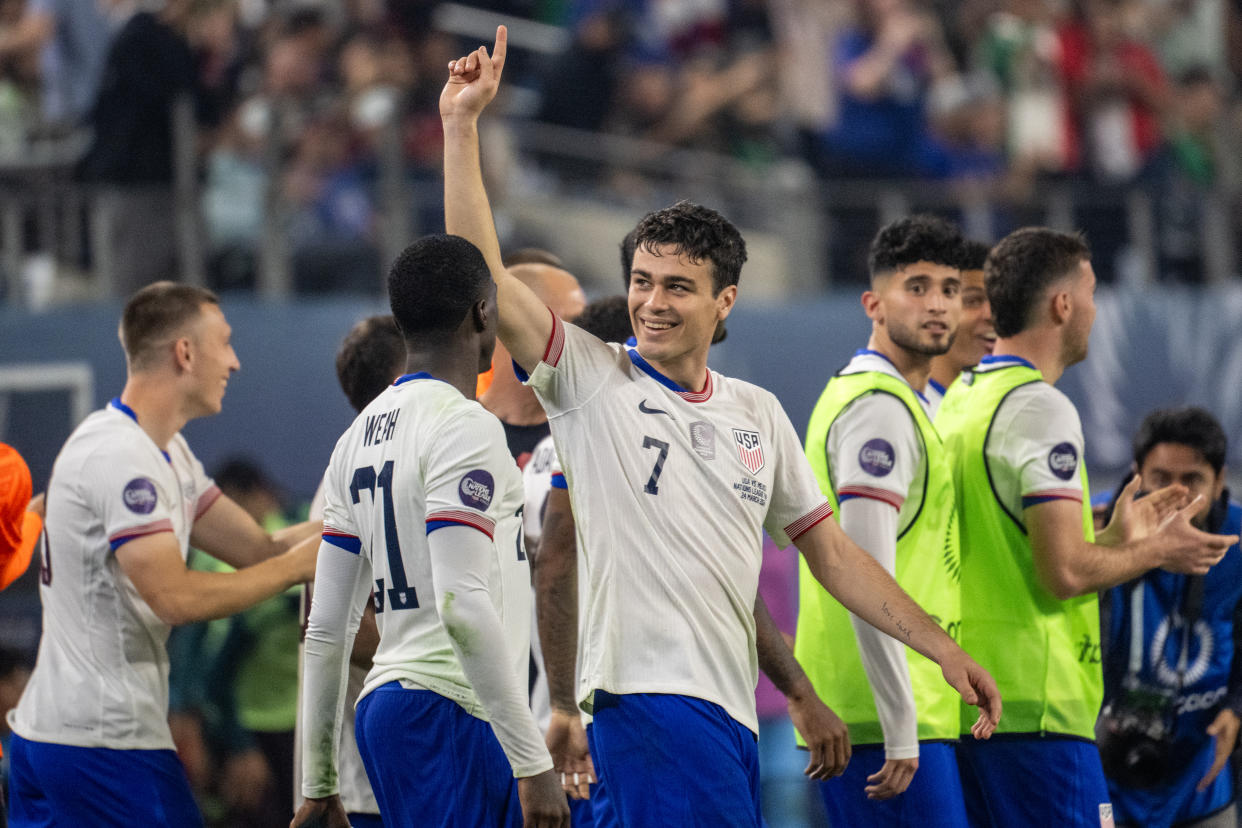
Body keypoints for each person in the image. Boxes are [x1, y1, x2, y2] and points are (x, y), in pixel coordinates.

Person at [441, 28, 1000, 827]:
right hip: (647, 704)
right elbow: (486, 275)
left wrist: (940, 651)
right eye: (641, 282)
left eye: (677, 286)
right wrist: (463, 127)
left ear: (724, 302)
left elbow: (834, 557)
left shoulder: (756, 412)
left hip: (731, 710)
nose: (653, 303)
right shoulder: (593, 379)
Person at [935, 228, 1236, 827]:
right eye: (1092, 292)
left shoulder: (961, 400)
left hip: (968, 706)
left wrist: (1117, 543)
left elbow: (1014, 556)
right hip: (1039, 709)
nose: (1097, 310)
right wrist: (1152, 551)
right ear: (1062, 304)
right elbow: (1064, 573)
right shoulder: (1040, 409)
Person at [5, 281, 320, 828]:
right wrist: (294, 568)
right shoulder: (122, 455)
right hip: (100, 745)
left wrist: (353, 527)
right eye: (225, 342)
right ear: (185, 352)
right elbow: (173, 596)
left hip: (70, 739)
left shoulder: (163, 450)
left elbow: (258, 547)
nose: (236, 361)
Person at [293, 235, 567, 828]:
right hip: (451, 707)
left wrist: (319, 784)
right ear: (482, 313)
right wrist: (532, 761)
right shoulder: (465, 425)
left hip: (388, 710)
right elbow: (460, 602)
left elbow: (325, 628)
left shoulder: (356, 438)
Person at [798, 214, 969, 825]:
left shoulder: (895, 399)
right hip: (885, 726)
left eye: (951, 289)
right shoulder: (878, 409)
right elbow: (863, 578)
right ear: (873, 303)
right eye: (917, 287)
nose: (938, 304)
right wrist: (901, 727)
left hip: (890, 713)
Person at [1099, 407, 1242, 828]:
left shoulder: (1239, 541)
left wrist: (1236, 708)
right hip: (1103, 770)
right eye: (1160, 478)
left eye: (1193, 480)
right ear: (1135, 473)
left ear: (1219, 483)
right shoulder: (1092, 531)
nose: (1176, 494)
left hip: (1200, 778)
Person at [291, 315, 404, 828]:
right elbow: (340, 629)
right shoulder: (354, 479)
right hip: (366, 786)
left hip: (399, 770)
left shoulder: (389, 466)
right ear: (393, 385)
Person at [925, 238, 993, 416]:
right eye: (972, 301)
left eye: (1000, 302)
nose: (991, 315)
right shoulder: (898, 410)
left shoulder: (1008, 411)